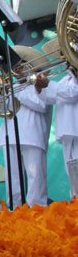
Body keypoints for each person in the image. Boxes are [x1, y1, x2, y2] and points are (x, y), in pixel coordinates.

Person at [0, 46, 52, 207]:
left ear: (29, 66)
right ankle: (14, 209)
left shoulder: (40, 84)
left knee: (36, 179)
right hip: (10, 135)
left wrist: (14, 90)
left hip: (33, 136)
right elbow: (5, 109)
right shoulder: (15, 87)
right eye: (14, 67)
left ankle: (38, 211)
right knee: (12, 178)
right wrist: (0, 94)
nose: (16, 70)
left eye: (20, 66)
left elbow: (41, 105)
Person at [34, 39, 78, 198]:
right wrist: (40, 88)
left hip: (75, 130)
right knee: (73, 178)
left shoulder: (74, 77)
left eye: (65, 52)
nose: (63, 57)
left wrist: (48, 84)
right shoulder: (65, 78)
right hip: (68, 133)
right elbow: (51, 98)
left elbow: (72, 93)